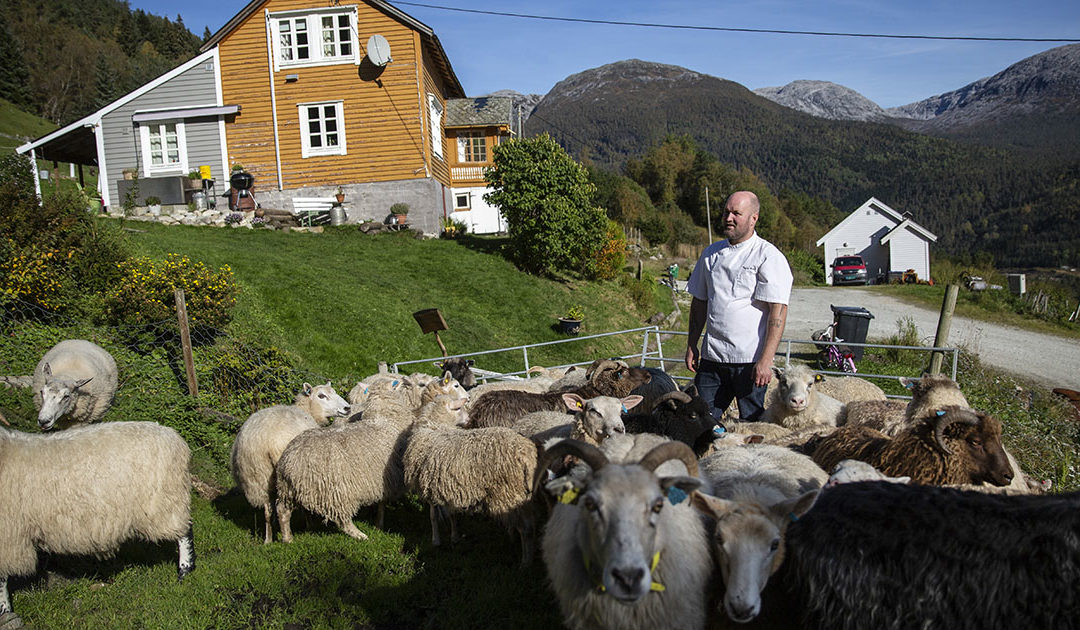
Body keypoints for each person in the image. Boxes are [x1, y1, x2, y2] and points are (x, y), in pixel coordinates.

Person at [685, 190, 793, 424]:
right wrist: (692, 343)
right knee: (701, 420)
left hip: (750, 360)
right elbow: (700, 302)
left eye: (736, 213)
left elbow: (778, 311)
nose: (728, 218)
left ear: (753, 218)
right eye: (726, 212)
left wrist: (766, 360)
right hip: (713, 358)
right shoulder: (710, 254)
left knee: (752, 422)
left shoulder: (767, 256)